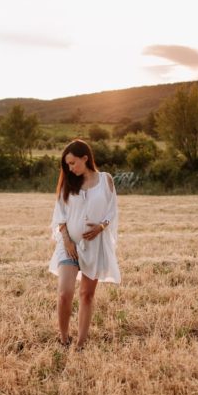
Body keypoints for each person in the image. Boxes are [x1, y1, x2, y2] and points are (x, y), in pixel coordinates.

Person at [49, 138, 120, 349]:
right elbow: (60, 215)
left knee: (87, 295)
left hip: (95, 245)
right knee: (64, 293)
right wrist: (67, 241)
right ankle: (63, 338)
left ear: (85, 158)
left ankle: (80, 343)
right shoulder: (68, 183)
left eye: (72, 163)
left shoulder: (105, 180)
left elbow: (112, 210)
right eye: (67, 165)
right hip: (68, 245)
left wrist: (101, 227)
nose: (70, 169)